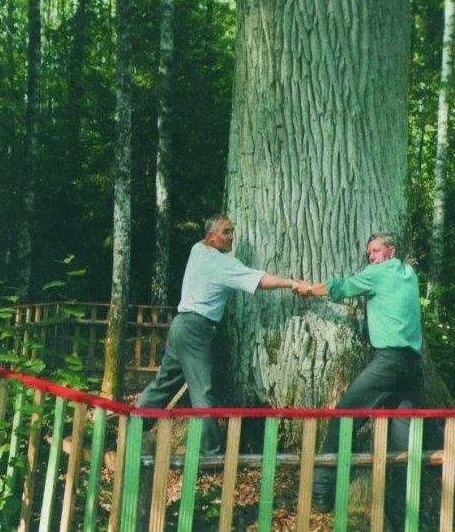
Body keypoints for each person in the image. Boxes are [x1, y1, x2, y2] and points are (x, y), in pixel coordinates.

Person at [136, 213, 301, 455]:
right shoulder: (222, 263)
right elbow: (261, 280)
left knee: (166, 382)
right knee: (203, 391)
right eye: (226, 232)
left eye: (232, 231)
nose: (232, 237)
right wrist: (291, 283)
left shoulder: (197, 250)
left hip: (180, 325)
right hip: (196, 330)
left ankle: (134, 424)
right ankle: (209, 454)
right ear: (211, 238)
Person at [292, 232, 423, 524]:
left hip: (389, 362)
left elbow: (343, 286)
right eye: (369, 254)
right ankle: (403, 511)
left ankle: (322, 492)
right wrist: (404, 259)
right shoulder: (409, 273)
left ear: (390, 251)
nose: (371, 258)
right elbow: (408, 262)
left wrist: (308, 289)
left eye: (376, 251)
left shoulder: (377, 274)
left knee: (345, 416)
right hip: (413, 367)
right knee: (403, 440)